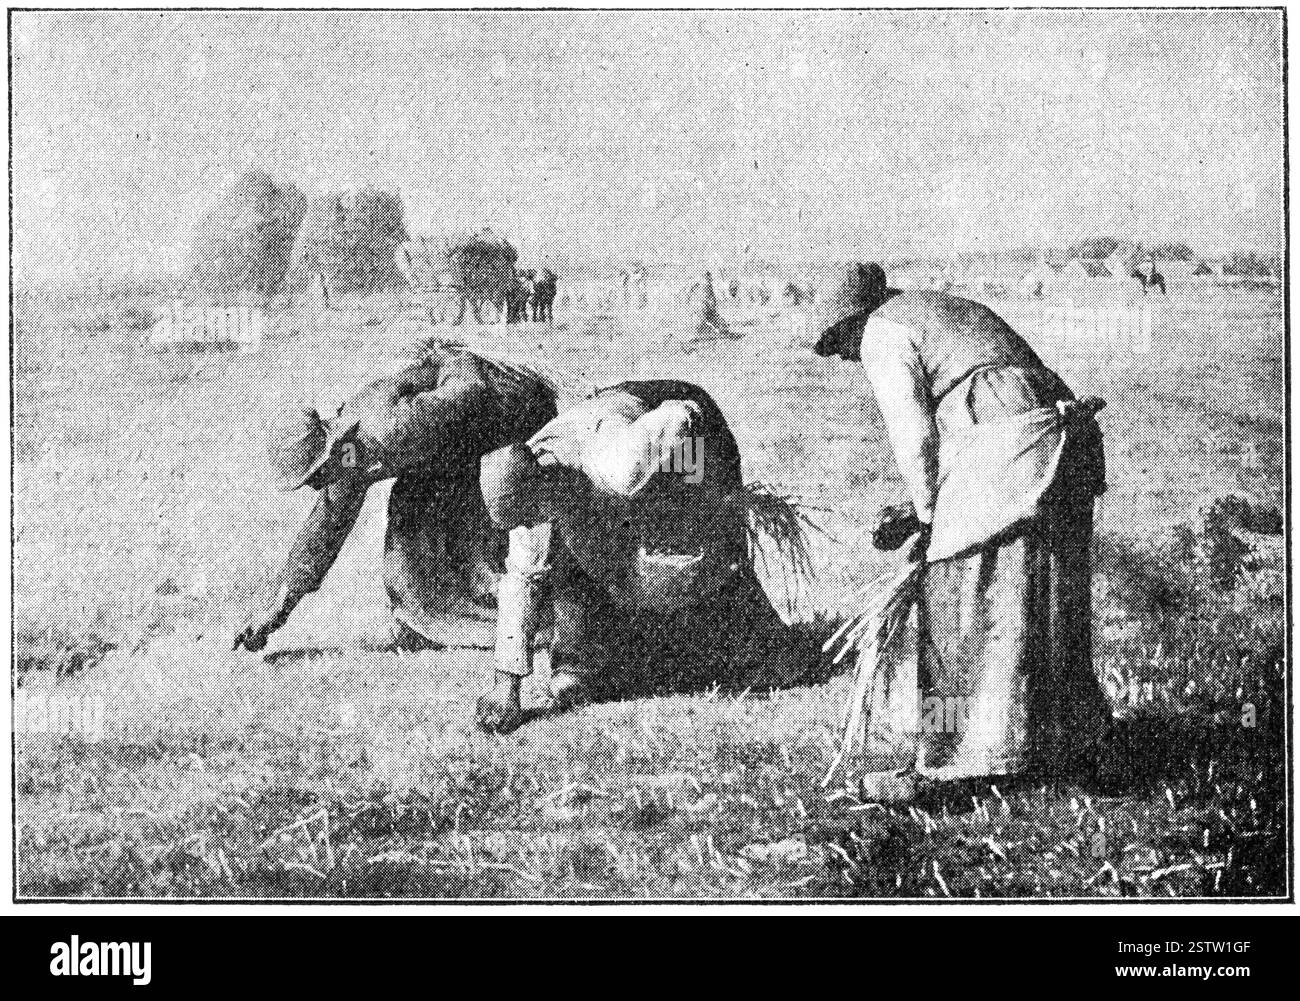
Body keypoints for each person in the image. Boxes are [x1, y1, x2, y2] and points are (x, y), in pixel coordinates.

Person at [811, 263, 1111, 793]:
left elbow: (917, 440)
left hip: (1013, 448)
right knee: (1043, 597)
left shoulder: (884, 331)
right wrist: (922, 508)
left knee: (954, 602)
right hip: (1061, 447)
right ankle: (1064, 747)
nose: (841, 356)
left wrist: (927, 517)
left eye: (838, 341)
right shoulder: (939, 310)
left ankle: (954, 762)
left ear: (851, 323)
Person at [474, 380, 802, 733]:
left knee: (686, 561)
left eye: (528, 517)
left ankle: (769, 649)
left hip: (687, 426)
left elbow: (683, 414)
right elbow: (523, 579)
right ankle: (580, 665)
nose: (525, 527)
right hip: (614, 428)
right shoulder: (532, 488)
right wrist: (505, 688)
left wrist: (697, 495)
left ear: (545, 486)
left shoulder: (617, 462)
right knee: (556, 554)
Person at [233, 345, 557, 654]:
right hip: (445, 455)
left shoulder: (389, 428)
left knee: (483, 550)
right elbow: (326, 527)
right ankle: (440, 625)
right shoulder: (348, 455)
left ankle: (538, 621)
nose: (315, 486)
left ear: (327, 451)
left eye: (312, 475)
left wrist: (441, 362)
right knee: (405, 565)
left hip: (506, 422)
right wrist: (276, 609)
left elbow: (471, 388)